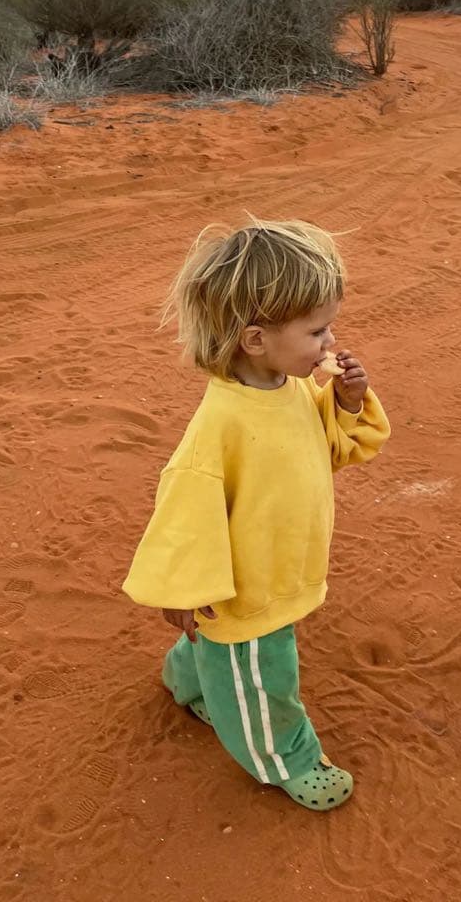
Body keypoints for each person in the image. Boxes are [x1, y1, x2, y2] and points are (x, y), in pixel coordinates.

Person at [122, 218, 390, 811]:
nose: (330, 342)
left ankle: (186, 679)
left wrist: (344, 402)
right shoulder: (220, 425)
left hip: (279, 564)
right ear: (255, 340)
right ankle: (286, 759)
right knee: (263, 677)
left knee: (223, 656)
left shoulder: (287, 388)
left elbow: (331, 449)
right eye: (317, 330)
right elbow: (185, 514)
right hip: (245, 587)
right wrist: (186, 589)